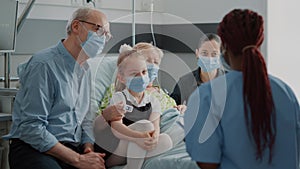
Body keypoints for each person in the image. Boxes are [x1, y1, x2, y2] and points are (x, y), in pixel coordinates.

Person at [4, 7, 124, 169]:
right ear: (76, 27)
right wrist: (77, 160)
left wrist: (88, 148)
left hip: (72, 146)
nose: (103, 38)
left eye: (107, 35)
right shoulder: (43, 65)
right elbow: (31, 127)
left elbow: (86, 120)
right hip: (34, 147)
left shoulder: (85, 70)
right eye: (99, 30)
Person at [184, 9, 300, 169]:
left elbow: (207, 163)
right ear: (260, 42)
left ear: (224, 47)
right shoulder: (286, 93)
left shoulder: (208, 96)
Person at [94, 47, 172, 169]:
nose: (141, 77)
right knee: (145, 125)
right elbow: (117, 130)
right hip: (115, 150)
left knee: (167, 140)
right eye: (134, 74)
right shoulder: (119, 97)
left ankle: (132, 165)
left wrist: (154, 138)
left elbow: (155, 126)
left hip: (135, 146)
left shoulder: (154, 101)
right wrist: (139, 137)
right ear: (122, 78)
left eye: (144, 72)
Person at [97, 42, 186, 114]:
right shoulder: (119, 89)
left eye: (156, 62)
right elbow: (104, 116)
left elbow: (174, 110)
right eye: (147, 60)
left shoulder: (162, 94)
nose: (152, 66)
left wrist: (181, 108)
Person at [170, 33, 225, 105]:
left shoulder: (230, 81)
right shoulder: (184, 82)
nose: (209, 58)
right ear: (197, 53)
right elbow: (171, 108)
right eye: (204, 53)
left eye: (214, 54)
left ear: (221, 55)